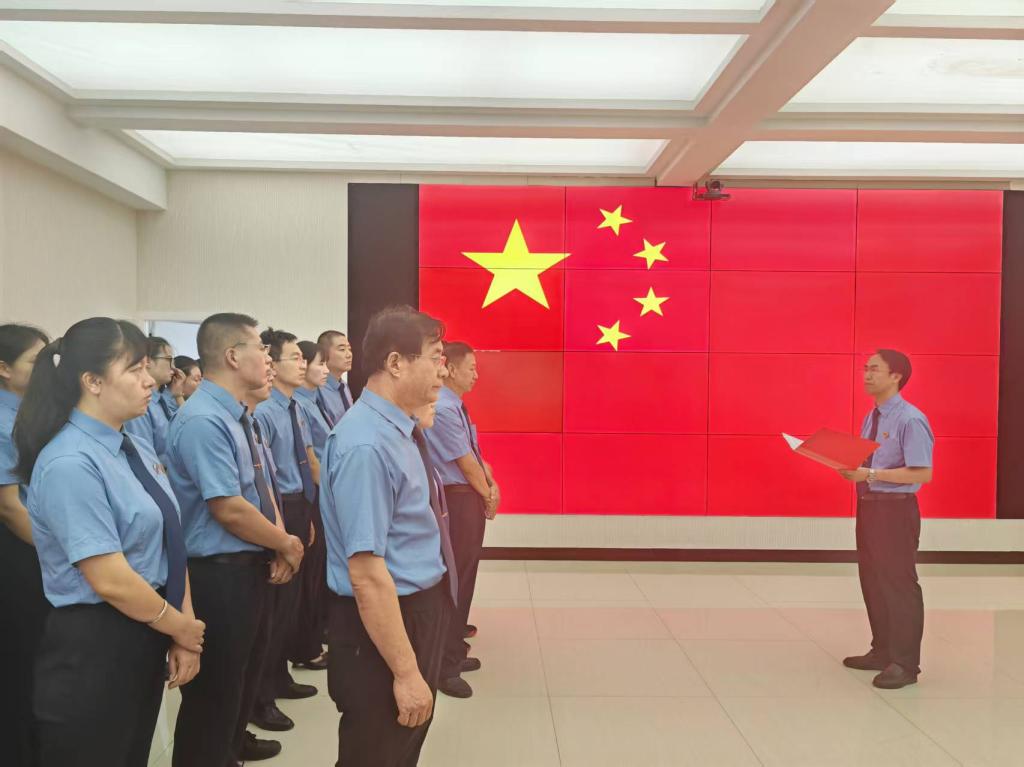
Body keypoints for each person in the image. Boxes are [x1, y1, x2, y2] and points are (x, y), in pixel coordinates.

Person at [13, 317, 205, 767]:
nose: (149, 380)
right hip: (96, 640)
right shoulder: (70, 462)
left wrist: (182, 624)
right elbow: (110, 579)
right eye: (134, 369)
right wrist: (179, 627)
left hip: (146, 624)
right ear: (93, 381)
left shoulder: (131, 446)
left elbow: (169, 539)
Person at [320, 306, 457, 767]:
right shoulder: (367, 445)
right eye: (435, 358)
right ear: (396, 363)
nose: (443, 371)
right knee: (376, 751)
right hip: (384, 622)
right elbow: (366, 573)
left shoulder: (398, 429)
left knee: (399, 750)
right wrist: (406, 671)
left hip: (414, 610)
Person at [166, 313, 305, 767]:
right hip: (217, 576)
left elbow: (260, 490)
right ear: (231, 356)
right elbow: (226, 506)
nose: (268, 358)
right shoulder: (204, 420)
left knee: (239, 685)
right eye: (260, 348)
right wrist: (285, 543)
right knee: (215, 698)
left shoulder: (239, 416)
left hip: (247, 568)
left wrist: (276, 541)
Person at [838, 349, 934, 690]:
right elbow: (870, 462)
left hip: (896, 511)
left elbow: (922, 473)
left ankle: (905, 664)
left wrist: (870, 474)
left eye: (875, 369)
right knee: (873, 581)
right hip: (870, 507)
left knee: (898, 584)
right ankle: (882, 651)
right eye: (865, 368)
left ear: (896, 376)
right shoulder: (872, 416)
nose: (866, 375)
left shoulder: (910, 419)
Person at [251, 328, 320, 733]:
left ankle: (279, 677)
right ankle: (260, 697)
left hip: (298, 504)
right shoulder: (263, 412)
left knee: (290, 605)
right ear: (272, 365)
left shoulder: (296, 407)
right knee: (274, 610)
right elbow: (266, 479)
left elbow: (306, 460)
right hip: (277, 509)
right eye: (295, 357)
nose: (303, 363)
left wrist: (308, 515)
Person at [423, 341, 500, 699]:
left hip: (466, 496)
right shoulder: (443, 408)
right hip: (455, 500)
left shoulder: (455, 405)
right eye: (471, 368)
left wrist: (490, 485)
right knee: (455, 581)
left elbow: (475, 456)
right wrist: (488, 494)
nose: (476, 375)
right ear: (450, 368)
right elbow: (465, 464)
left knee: (464, 578)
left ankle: (454, 648)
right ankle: (444, 664)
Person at [0, 323, 50, 767]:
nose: (47, 368)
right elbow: (10, 506)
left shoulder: (31, 412)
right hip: (21, 549)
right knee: (22, 658)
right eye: (36, 360)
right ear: (3, 368)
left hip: (39, 544)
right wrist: (58, 556)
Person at [291, 339, 333, 672]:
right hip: (308, 495)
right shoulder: (298, 405)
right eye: (320, 362)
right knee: (304, 580)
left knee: (315, 574)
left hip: (317, 492)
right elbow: (310, 459)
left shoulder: (311, 401)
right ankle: (304, 644)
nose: (324, 369)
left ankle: (312, 636)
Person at [124, 336, 185, 466]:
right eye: (169, 360)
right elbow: (144, 458)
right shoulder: (141, 404)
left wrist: (178, 394)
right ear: (148, 362)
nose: (174, 368)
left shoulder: (161, 400)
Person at [317, 329, 354, 425]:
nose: (349, 354)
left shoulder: (344, 386)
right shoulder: (317, 389)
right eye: (342, 350)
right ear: (324, 354)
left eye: (349, 349)